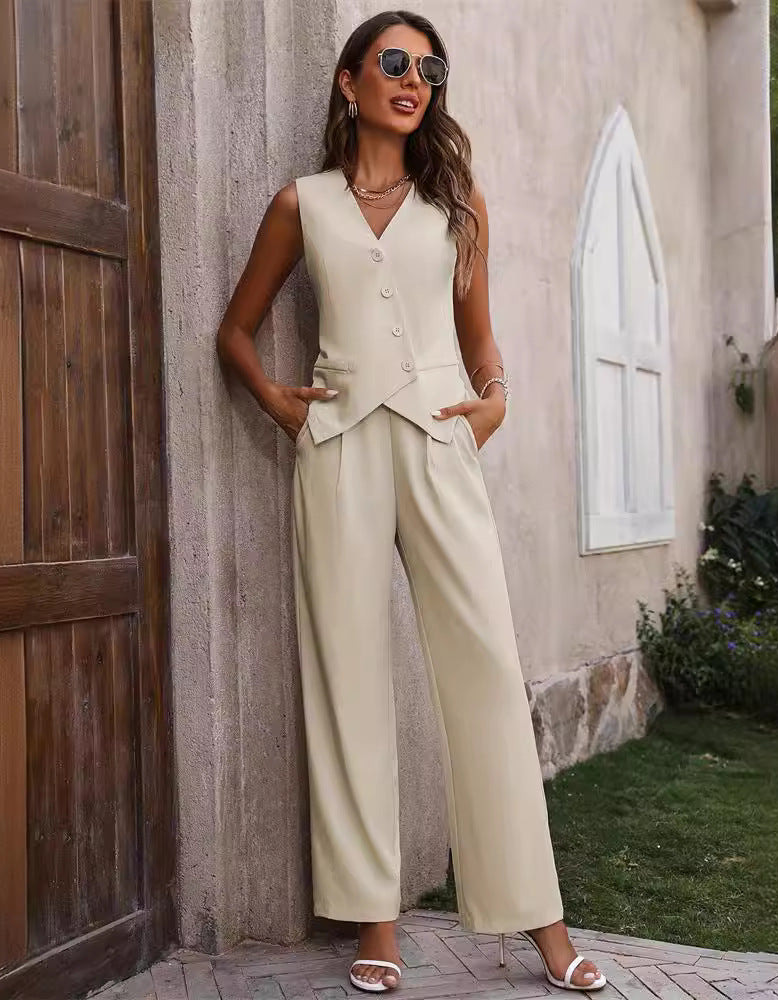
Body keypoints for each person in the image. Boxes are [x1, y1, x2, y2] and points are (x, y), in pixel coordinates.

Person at [215, 10, 607, 995]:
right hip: (338, 449)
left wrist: (496, 405)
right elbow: (235, 330)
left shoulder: (457, 200)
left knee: (481, 668)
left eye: (429, 69)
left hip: (439, 445)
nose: (414, 79)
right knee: (348, 680)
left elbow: (484, 345)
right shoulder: (298, 204)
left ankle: (543, 926)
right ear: (348, 83)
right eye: (393, 63)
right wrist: (281, 406)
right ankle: (375, 926)